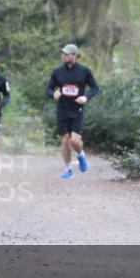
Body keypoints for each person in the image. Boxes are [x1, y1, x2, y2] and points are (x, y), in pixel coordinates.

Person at [46, 44, 100, 179]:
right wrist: (53, 94)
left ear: (75, 55)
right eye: (63, 54)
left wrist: (86, 97)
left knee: (74, 141)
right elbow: (48, 89)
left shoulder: (84, 71)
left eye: (67, 54)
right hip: (62, 109)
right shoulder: (57, 71)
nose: (64, 56)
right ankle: (68, 169)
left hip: (77, 110)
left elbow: (95, 87)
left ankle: (81, 154)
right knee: (65, 140)